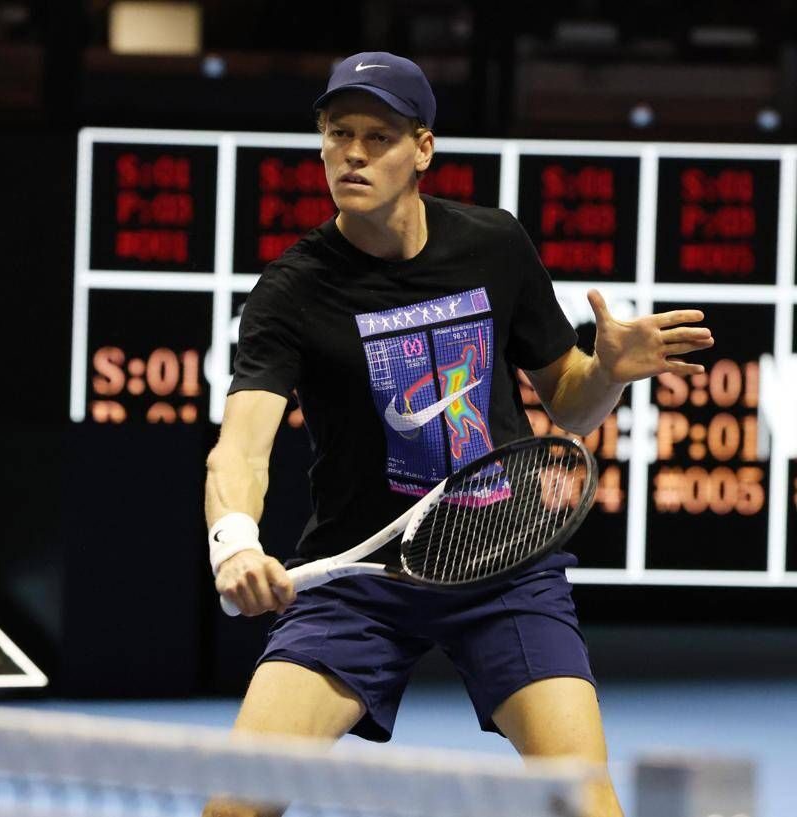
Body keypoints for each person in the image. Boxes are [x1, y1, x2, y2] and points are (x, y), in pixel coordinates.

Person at [203, 52, 714, 817]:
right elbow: (241, 448)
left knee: (585, 801)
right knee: (234, 807)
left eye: (377, 137)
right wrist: (236, 543)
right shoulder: (291, 290)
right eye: (338, 133)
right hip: (361, 577)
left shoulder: (493, 245)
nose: (352, 153)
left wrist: (607, 371)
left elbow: (570, 406)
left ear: (422, 149)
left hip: (502, 562)